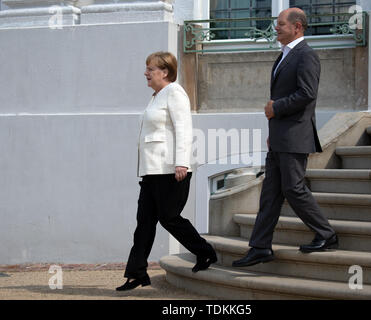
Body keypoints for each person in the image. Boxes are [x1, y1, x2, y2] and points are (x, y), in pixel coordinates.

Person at [232, 8, 338, 268]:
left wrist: (275, 108)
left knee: (293, 187)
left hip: (295, 137)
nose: (276, 28)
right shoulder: (285, 56)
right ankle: (259, 247)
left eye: (280, 24)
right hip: (281, 137)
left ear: (297, 27)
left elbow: (307, 94)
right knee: (270, 194)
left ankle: (326, 234)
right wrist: (274, 132)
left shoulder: (306, 56)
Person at [116, 52, 217, 291]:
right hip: (152, 171)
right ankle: (137, 273)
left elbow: (184, 128)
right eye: (147, 68)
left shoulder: (174, 92)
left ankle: (206, 252)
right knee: (144, 223)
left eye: (150, 69)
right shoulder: (156, 97)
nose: (146, 73)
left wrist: (181, 162)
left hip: (170, 170)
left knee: (169, 218)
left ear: (165, 72)